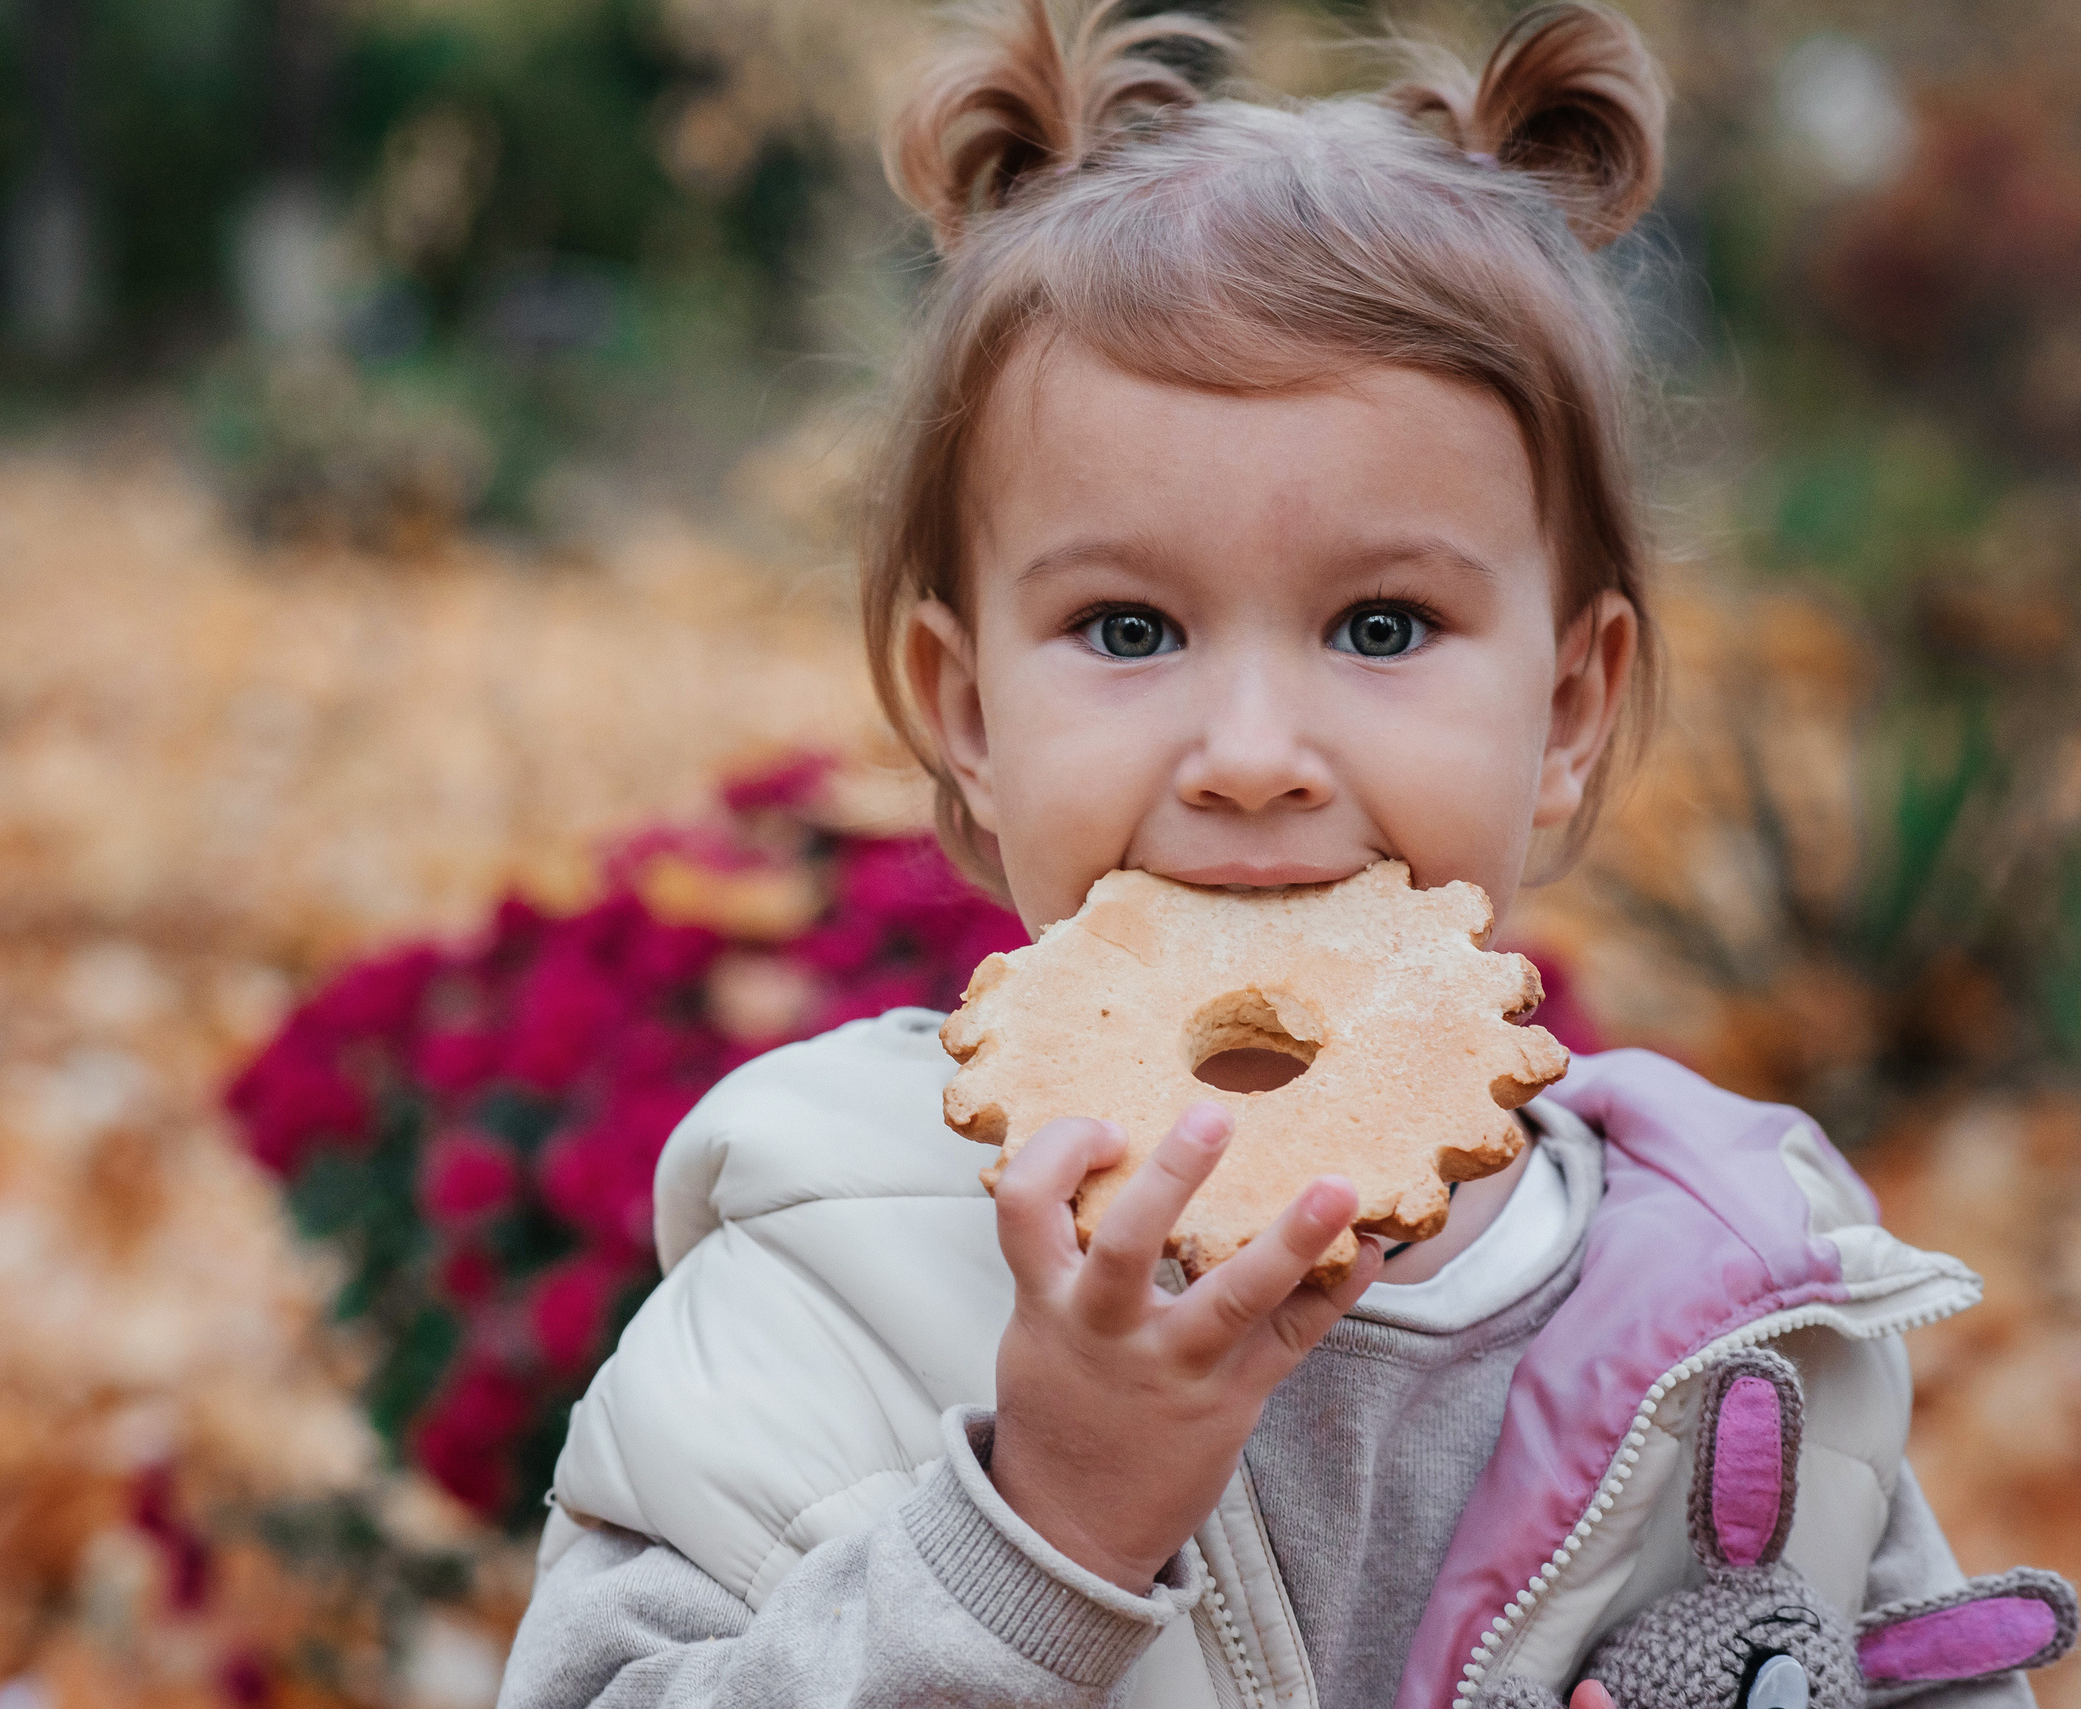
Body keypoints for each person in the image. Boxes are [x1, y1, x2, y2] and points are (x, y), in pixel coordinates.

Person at [498, 5, 2025, 1707]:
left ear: (1570, 704)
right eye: (1129, 625)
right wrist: (1036, 1534)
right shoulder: (835, 1267)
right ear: (969, 710)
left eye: (1382, 623)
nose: (1246, 757)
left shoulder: (1756, 1309)